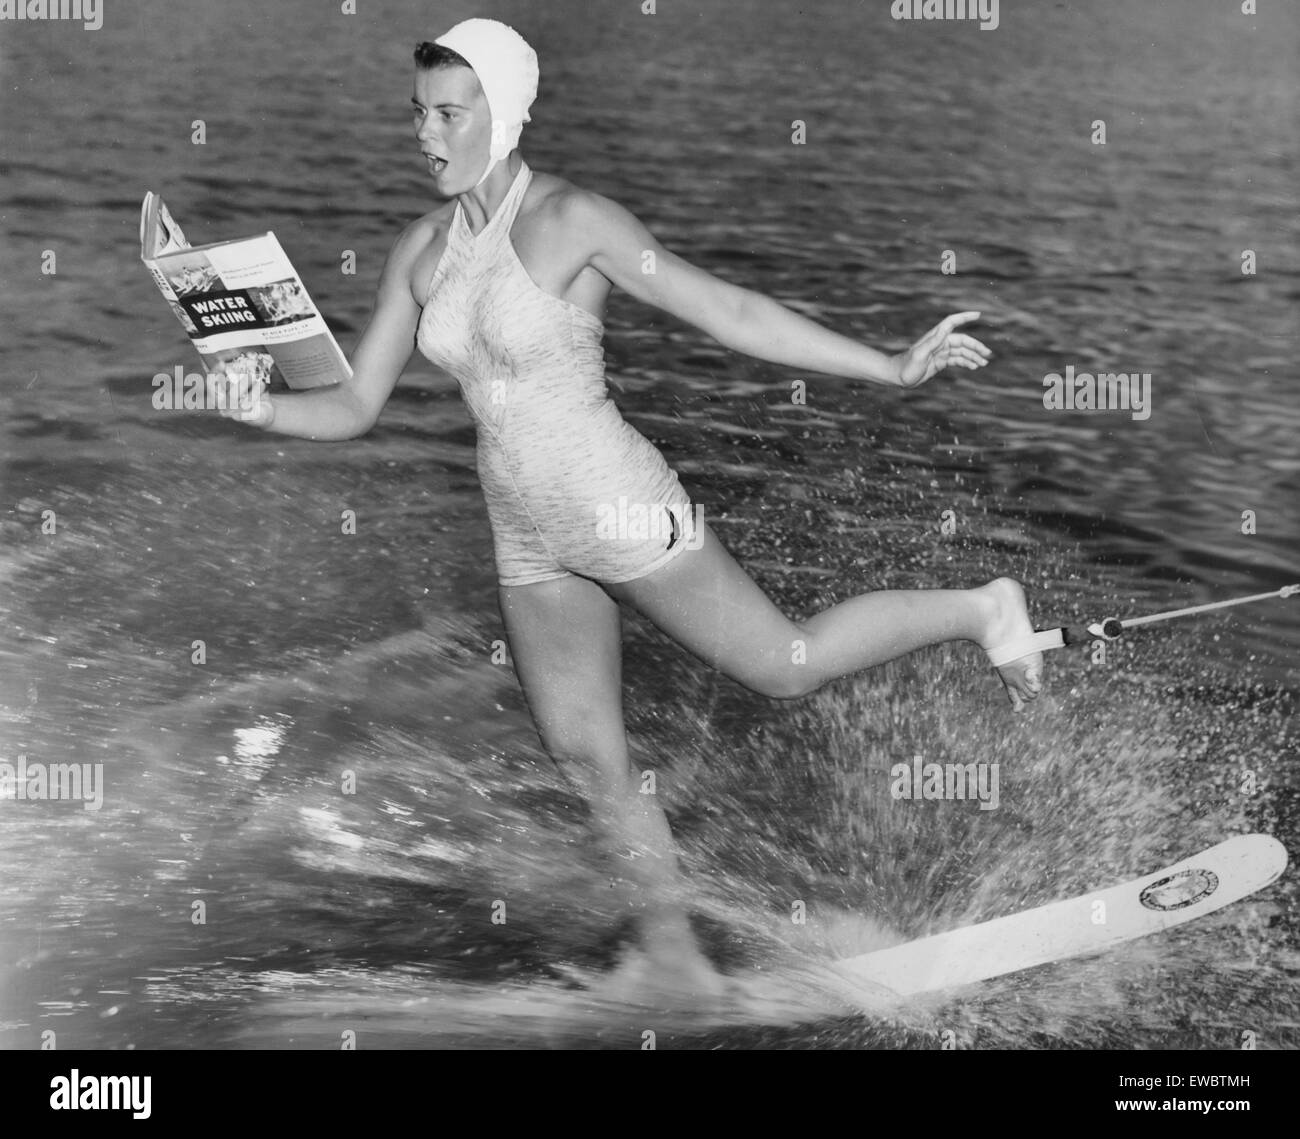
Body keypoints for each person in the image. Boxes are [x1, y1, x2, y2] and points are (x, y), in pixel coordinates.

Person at [215, 18, 1044, 1000]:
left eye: (449, 111)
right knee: (588, 756)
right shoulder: (421, 249)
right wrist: (260, 403)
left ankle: (984, 606)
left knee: (782, 664)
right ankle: (673, 952)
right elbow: (353, 404)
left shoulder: (572, 220)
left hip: (616, 503)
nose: (426, 132)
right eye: (419, 113)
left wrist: (889, 365)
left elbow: (725, 310)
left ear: (504, 113)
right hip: (527, 535)